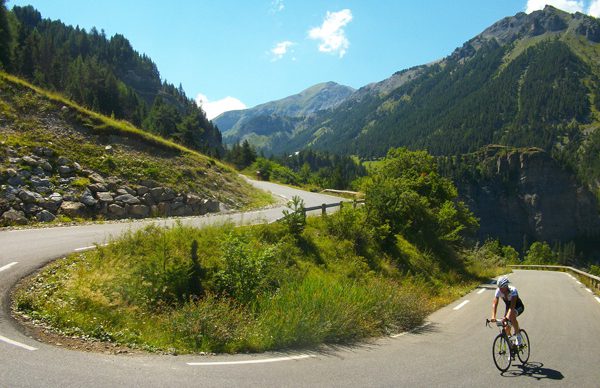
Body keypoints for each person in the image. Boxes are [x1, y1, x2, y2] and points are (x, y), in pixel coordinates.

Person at [491, 276, 525, 346]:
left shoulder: (513, 290)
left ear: (506, 286)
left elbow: (512, 307)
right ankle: (511, 345)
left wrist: (506, 317)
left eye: (502, 288)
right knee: (506, 329)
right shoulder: (498, 291)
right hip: (508, 308)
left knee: (511, 317)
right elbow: (495, 303)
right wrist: (493, 316)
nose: (500, 289)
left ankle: (518, 336)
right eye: (499, 287)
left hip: (517, 306)